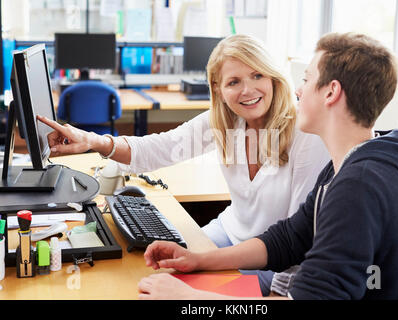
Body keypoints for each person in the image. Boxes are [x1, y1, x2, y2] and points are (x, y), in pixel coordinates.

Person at [137, 32, 398, 300]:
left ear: (330, 92)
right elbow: (287, 240)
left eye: (306, 79)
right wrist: (200, 259)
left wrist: (189, 299)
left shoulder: (359, 186)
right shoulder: (343, 168)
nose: (298, 91)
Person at [37, 34, 330, 296]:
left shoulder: (305, 133)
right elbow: (158, 148)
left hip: (272, 262)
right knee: (145, 278)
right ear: (218, 88)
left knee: (171, 292)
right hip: (227, 234)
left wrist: (266, 291)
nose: (247, 90)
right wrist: (92, 141)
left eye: (257, 75)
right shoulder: (225, 120)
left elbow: (297, 238)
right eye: (233, 82)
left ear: (272, 77)